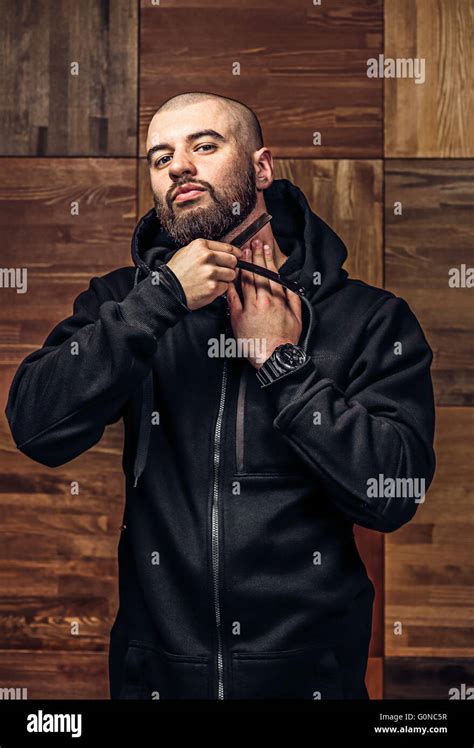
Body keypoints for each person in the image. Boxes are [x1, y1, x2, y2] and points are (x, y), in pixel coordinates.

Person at [5, 92, 436, 700]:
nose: (179, 165)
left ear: (261, 168)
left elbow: (395, 491)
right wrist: (162, 300)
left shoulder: (368, 320)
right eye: (160, 157)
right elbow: (35, 427)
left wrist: (282, 364)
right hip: (156, 683)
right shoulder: (123, 302)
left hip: (312, 685)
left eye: (204, 146)